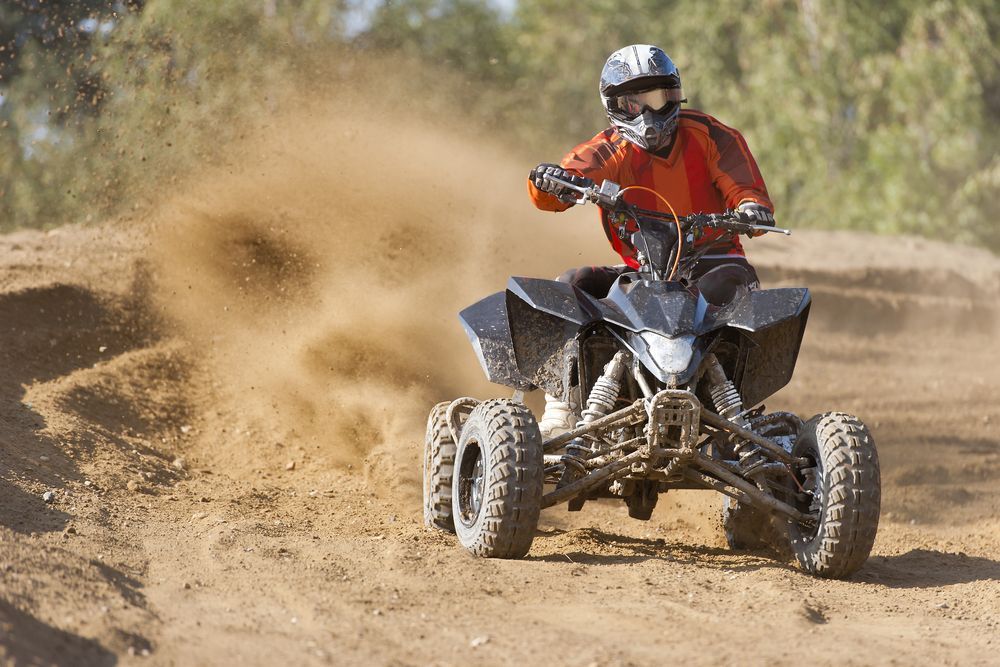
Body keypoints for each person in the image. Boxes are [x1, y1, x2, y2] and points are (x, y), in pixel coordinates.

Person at [528, 44, 778, 437]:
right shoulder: (608, 148)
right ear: (614, 105)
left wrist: (750, 209)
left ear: (676, 95)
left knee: (733, 286)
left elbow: (747, 191)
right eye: (635, 101)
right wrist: (551, 182)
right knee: (572, 282)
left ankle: (735, 415)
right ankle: (560, 410)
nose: (650, 112)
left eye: (660, 97)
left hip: (714, 260)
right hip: (642, 273)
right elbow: (558, 186)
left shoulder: (711, 134)